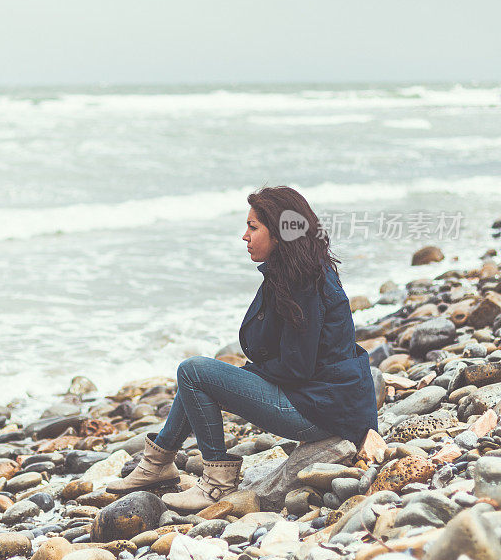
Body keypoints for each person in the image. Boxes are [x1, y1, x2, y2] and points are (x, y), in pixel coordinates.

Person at [107, 185, 379, 512]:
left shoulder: (304, 283)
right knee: (200, 377)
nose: (245, 236)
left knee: (194, 371)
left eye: (253, 227)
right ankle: (157, 465)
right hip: (324, 402)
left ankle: (215, 485)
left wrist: (246, 376)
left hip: (320, 410)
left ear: (279, 234)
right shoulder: (297, 273)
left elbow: (297, 367)